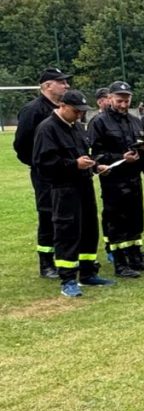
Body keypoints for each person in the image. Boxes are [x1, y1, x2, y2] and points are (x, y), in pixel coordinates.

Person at [31, 89, 115, 296]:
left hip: (84, 184)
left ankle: (88, 273)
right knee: (67, 232)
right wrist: (73, 164)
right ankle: (68, 279)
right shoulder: (47, 128)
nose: (79, 115)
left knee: (89, 229)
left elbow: (84, 155)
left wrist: (95, 166)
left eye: (82, 111)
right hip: (63, 188)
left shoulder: (76, 127)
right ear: (62, 106)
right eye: (76, 111)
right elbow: (44, 163)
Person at [89, 79, 144, 276]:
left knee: (135, 218)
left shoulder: (135, 120)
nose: (123, 104)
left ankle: (136, 258)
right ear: (110, 98)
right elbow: (96, 154)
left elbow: (140, 144)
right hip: (114, 179)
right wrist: (120, 157)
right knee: (117, 221)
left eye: (127, 101)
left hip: (133, 177)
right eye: (119, 100)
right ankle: (120, 263)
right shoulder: (99, 122)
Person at [13, 66, 71, 279]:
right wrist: (40, 164)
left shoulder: (64, 108)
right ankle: (46, 263)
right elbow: (21, 144)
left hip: (66, 170)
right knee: (48, 214)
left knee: (66, 214)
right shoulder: (33, 110)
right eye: (61, 82)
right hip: (45, 174)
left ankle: (66, 256)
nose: (66, 86)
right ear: (47, 85)